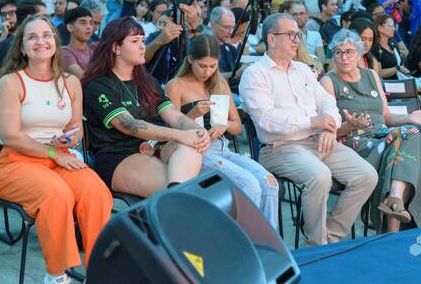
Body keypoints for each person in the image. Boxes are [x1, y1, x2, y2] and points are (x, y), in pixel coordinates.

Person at [0, 15, 112, 284]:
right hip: (16, 163)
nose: (41, 41)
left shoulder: (70, 82)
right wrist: (53, 153)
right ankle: (57, 274)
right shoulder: (11, 82)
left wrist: (69, 140)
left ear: (55, 42)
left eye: (46, 35)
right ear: (22, 47)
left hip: (60, 159)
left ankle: (100, 270)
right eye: (32, 37)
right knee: (56, 195)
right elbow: (9, 136)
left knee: (97, 192)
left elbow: (75, 127)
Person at [239, 13, 377, 246]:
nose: (297, 40)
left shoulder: (303, 70)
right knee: (320, 176)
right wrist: (313, 122)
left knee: (366, 176)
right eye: (291, 35)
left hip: (318, 140)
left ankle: (327, 238)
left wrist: (329, 127)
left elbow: (327, 102)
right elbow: (267, 119)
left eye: (298, 35)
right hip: (279, 147)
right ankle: (317, 243)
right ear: (271, 39)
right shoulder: (255, 74)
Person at [321, 29, 421, 231]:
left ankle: (394, 200)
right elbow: (329, 129)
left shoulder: (371, 76)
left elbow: (386, 117)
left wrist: (409, 117)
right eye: (338, 52)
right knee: (397, 145)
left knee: (411, 131)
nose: (344, 57)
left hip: (382, 135)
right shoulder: (328, 81)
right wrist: (351, 126)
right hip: (352, 140)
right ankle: (393, 216)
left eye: (349, 51)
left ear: (359, 53)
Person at [82, 17, 210, 196]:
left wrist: (198, 131)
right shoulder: (98, 85)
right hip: (118, 154)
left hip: (153, 147)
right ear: (116, 47)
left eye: (143, 40)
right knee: (180, 187)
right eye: (135, 41)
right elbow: (128, 125)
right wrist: (181, 135)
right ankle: (177, 198)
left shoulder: (147, 81)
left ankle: (177, 198)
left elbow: (173, 115)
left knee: (192, 146)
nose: (143, 46)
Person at [166, 34, 279, 227]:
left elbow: (237, 127)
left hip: (222, 147)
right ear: (190, 59)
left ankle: (268, 239)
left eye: (212, 66)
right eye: (202, 66)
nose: (207, 72)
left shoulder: (219, 83)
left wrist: (224, 125)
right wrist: (193, 114)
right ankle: (244, 239)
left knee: (270, 183)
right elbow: (170, 131)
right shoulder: (176, 85)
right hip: (195, 152)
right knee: (249, 184)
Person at [0, 0, 47, 70]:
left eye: (12, 13)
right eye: (43, 17)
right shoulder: (7, 45)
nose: (47, 21)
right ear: (29, 18)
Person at [61, 7, 96, 79]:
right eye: (83, 23)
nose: (89, 27)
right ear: (70, 27)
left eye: (90, 23)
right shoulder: (65, 52)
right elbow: (83, 78)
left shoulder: (94, 49)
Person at [372, 13, 410, 79]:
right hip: (385, 83)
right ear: (380, 28)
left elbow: (401, 64)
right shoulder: (375, 47)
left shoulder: (393, 44)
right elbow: (378, 73)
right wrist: (396, 69)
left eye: (393, 26)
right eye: (390, 26)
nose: (394, 29)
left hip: (399, 80)